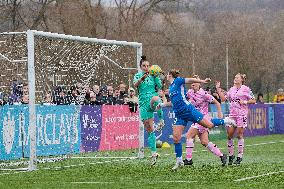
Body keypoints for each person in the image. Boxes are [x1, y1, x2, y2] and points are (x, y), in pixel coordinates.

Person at [156, 69, 236, 170]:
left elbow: (189, 80)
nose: (193, 84)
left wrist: (202, 81)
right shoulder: (179, 90)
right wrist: (162, 104)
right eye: (193, 83)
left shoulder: (180, 82)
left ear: (170, 75)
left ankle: (226, 120)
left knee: (205, 127)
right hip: (180, 114)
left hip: (192, 112)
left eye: (195, 83)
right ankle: (180, 160)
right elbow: (174, 102)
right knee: (180, 138)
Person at [184, 75, 227, 166]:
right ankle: (222, 156)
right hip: (197, 119)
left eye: (195, 81)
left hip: (203, 119)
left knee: (189, 136)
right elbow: (182, 96)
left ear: (199, 84)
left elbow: (217, 103)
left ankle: (188, 159)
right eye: (192, 82)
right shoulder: (189, 92)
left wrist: (219, 113)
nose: (193, 84)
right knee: (204, 142)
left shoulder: (204, 94)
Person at [216, 73, 256, 165]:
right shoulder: (231, 89)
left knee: (239, 134)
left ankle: (239, 156)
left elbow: (254, 100)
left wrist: (245, 101)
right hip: (232, 115)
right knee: (229, 135)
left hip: (242, 115)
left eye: (237, 77)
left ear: (241, 79)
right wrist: (218, 89)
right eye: (234, 77)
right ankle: (231, 155)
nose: (235, 79)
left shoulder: (246, 89)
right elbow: (223, 99)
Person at [133, 55, 165, 165]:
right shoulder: (137, 75)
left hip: (152, 99)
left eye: (148, 66)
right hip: (143, 103)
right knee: (149, 129)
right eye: (144, 66)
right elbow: (135, 85)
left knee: (156, 99)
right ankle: (154, 154)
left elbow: (160, 86)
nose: (146, 67)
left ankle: (161, 120)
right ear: (141, 67)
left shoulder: (153, 76)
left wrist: (157, 76)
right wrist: (142, 78)